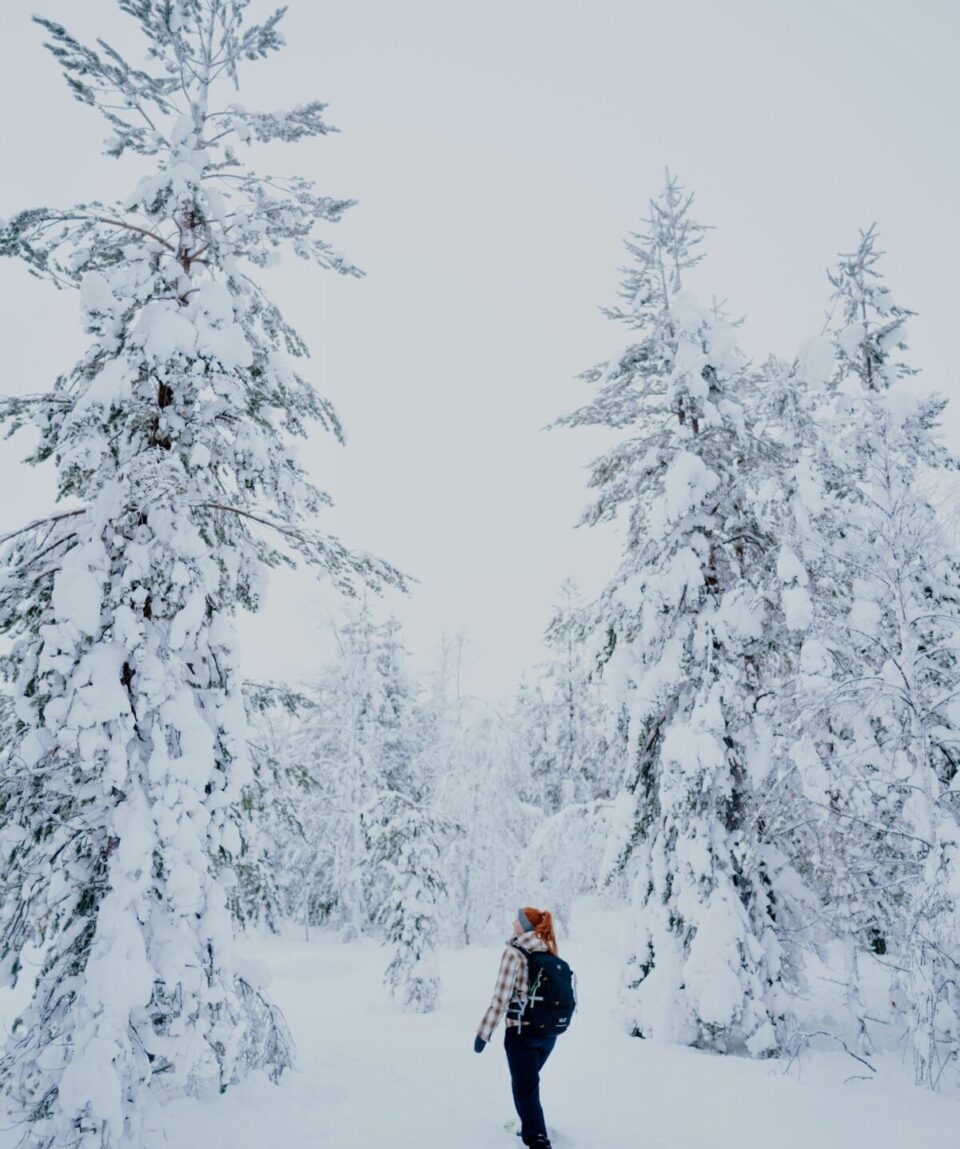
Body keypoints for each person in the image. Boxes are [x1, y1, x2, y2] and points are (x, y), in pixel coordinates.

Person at [474, 906, 560, 1149]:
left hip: (521, 1033)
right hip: (548, 1035)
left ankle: (537, 1140)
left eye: (517, 920)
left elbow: (500, 999)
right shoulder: (549, 951)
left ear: (525, 926)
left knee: (525, 1090)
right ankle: (529, 1127)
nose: (513, 923)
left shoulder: (514, 953)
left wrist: (483, 1034)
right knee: (527, 1087)